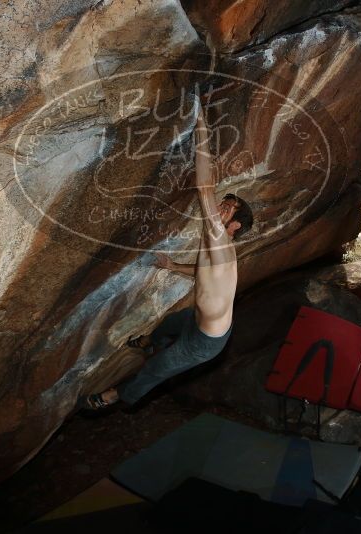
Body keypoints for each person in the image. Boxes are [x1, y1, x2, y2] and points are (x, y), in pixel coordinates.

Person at [81, 104, 253, 410]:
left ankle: (114, 397)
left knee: (154, 370)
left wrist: (201, 125)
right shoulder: (216, 249)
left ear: (234, 225)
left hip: (204, 343)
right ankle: (149, 341)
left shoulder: (221, 242)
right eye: (223, 203)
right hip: (198, 322)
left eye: (227, 207)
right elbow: (204, 273)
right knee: (170, 323)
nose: (219, 207)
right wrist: (173, 266)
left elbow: (204, 187)